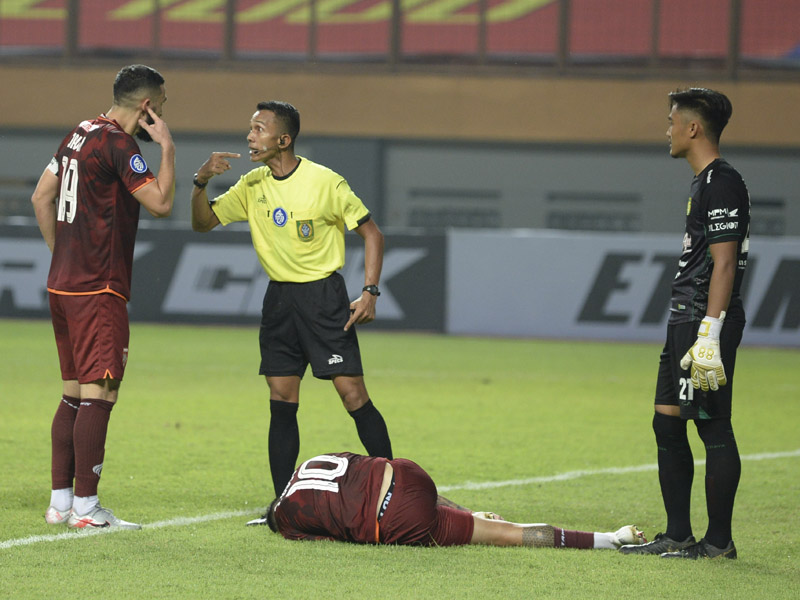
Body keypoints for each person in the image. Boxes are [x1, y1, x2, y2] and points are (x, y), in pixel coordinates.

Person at [190, 101, 393, 503]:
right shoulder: (251, 185)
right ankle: (282, 505)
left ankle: (395, 491)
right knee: (282, 398)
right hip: (279, 299)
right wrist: (200, 182)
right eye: (250, 128)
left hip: (323, 297)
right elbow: (203, 223)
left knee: (352, 394)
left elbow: (372, 234)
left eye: (259, 129)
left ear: (283, 139)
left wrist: (370, 291)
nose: (250, 136)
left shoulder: (326, 182)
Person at [30, 64, 175, 530]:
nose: (163, 114)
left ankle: (60, 502)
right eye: (163, 105)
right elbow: (161, 203)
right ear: (148, 106)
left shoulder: (81, 132)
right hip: (98, 288)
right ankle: (87, 511)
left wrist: (62, 256)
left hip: (63, 285)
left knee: (73, 394)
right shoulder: (118, 143)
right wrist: (169, 148)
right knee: (101, 393)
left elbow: (40, 197)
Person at [620, 88, 750, 560]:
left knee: (713, 427)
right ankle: (678, 534)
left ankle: (718, 543)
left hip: (702, 321)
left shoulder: (722, 181)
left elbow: (725, 263)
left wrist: (710, 333)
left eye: (672, 120)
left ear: (693, 128)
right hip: (685, 320)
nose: (668, 129)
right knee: (666, 423)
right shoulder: (703, 182)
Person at [250, 452, 646, 550]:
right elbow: (363, 463)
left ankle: (609, 538)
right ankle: (465, 510)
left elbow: (335, 538)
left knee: (505, 535)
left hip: (398, 519)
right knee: (400, 484)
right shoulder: (307, 463)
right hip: (409, 475)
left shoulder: (286, 521)